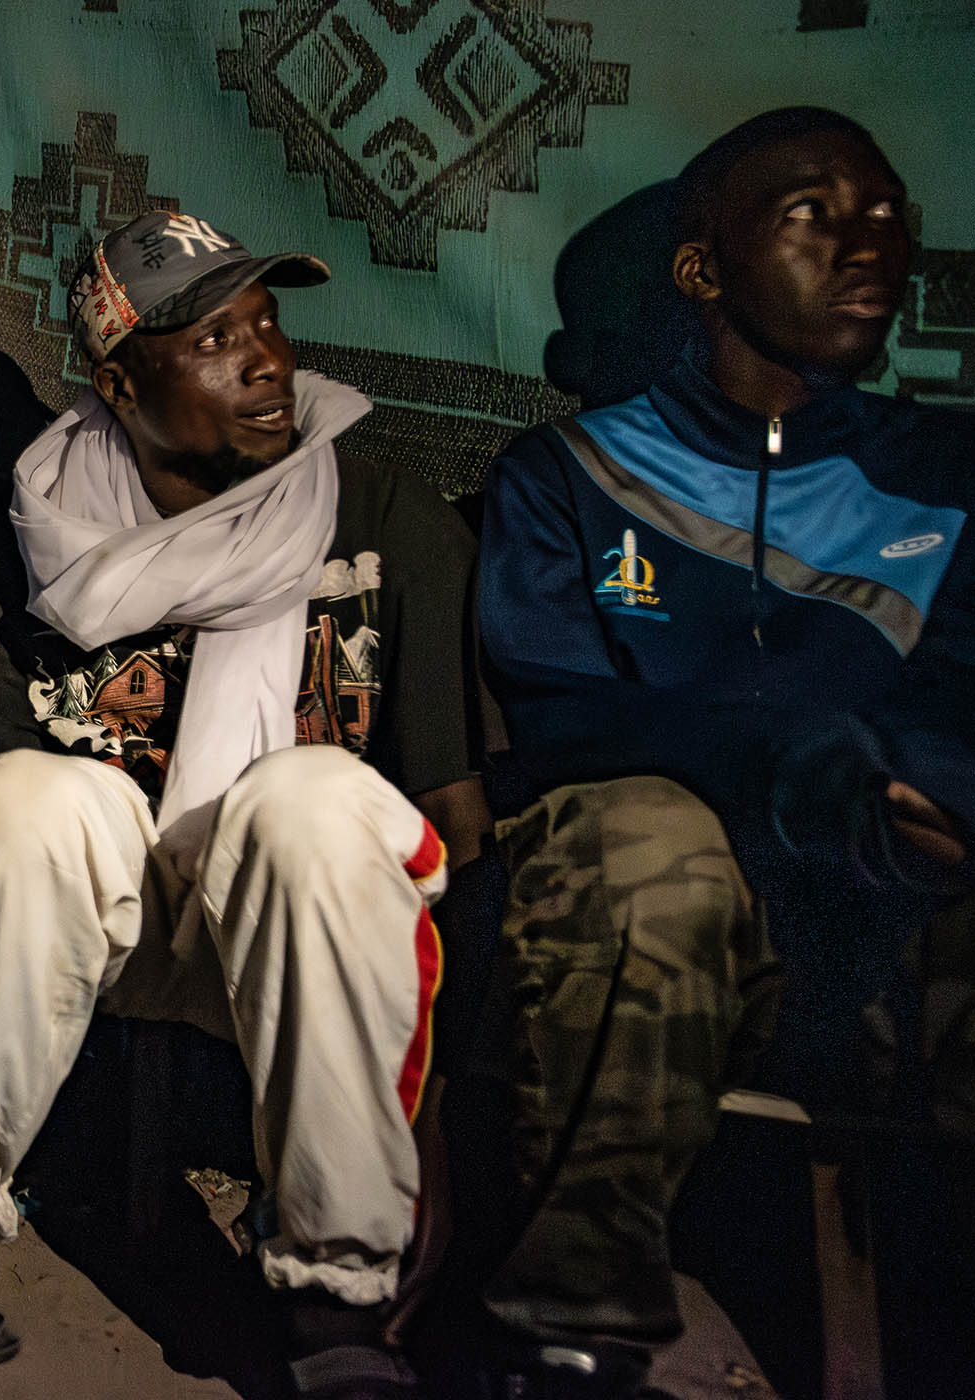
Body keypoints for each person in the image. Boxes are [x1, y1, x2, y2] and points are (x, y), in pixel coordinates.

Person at [0, 209, 490, 1388]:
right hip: (118, 928)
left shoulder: (384, 520)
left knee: (314, 801)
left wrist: (437, 1104)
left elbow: (454, 811)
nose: (269, 358)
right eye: (215, 337)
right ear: (123, 380)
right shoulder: (29, 542)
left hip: (316, 931)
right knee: (28, 798)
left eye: (268, 323)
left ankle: (340, 1292)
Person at [453, 108, 975, 1397]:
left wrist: (916, 791)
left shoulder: (953, 482)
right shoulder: (570, 474)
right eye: (816, 213)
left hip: (893, 921)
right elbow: (567, 723)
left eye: (891, 215)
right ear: (704, 271)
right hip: (672, 921)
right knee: (644, 846)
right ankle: (570, 1337)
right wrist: (811, 771)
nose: (873, 243)